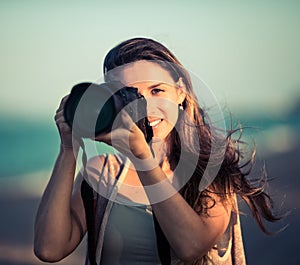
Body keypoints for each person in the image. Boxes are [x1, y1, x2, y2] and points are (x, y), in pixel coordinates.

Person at [34, 37, 280, 265]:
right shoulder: (103, 172)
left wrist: (142, 158)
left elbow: (191, 247)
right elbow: (49, 249)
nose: (145, 106)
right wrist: (68, 149)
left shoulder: (211, 171)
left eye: (157, 91)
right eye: (128, 95)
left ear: (180, 92)